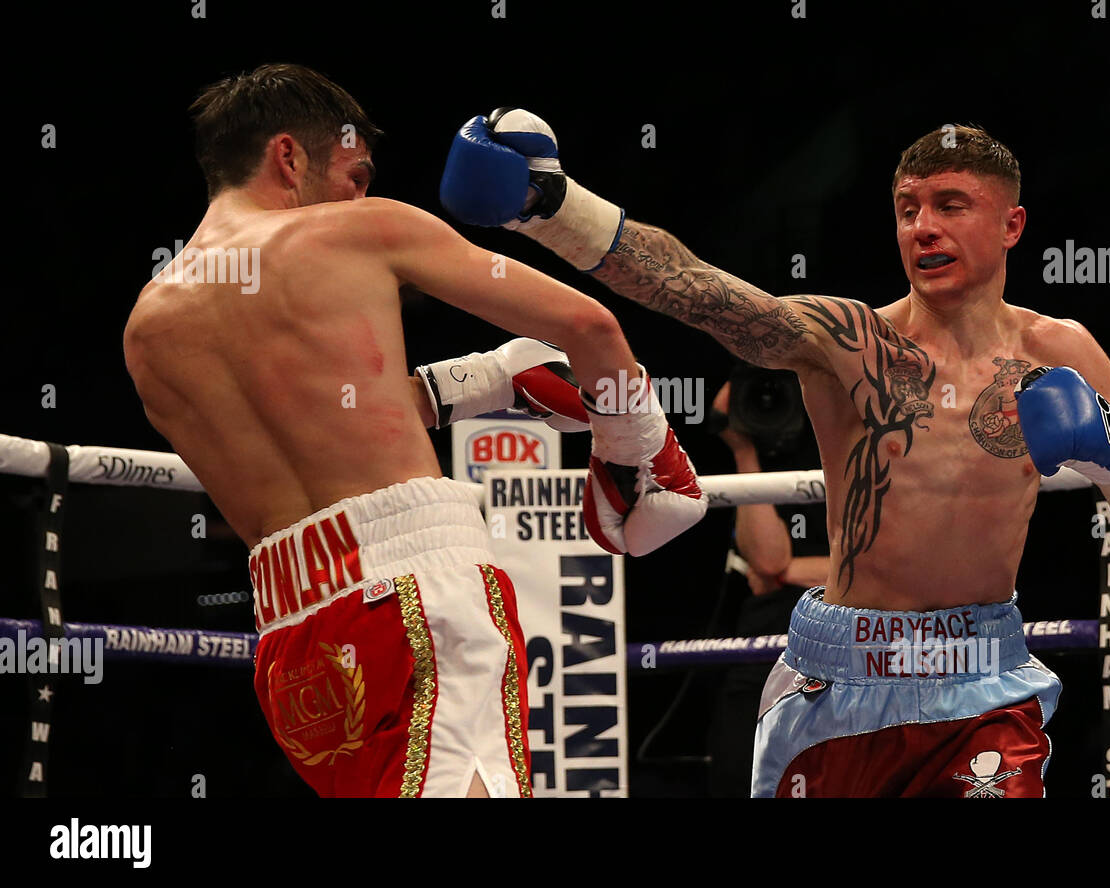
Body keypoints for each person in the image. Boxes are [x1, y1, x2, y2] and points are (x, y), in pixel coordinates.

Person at [438, 111, 1110, 797]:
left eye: (950, 205)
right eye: (907, 209)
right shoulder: (853, 342)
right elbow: (701, 293)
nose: (922, 227)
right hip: (844, 679)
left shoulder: (1059, 354)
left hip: (985, 681)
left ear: (1012, 225)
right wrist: (554, 207)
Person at [122, 65, 705, 798]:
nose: (360, 193)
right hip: (414, 591)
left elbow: (313, 418)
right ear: (288, 156)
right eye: (354, 171)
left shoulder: (147, 330)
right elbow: (589, 325)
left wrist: (468, 383)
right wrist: (638, 445)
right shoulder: (361, 231)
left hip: (293, 640)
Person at [706, 380, 829, 797]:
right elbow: (767, 559)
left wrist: (789, 569)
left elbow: (886, 565)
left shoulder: (865, 449)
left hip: (847, 640)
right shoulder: (757, 456)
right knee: (740, 774)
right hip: (766, 641)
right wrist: (743, 449)